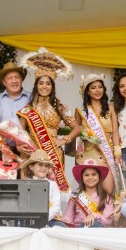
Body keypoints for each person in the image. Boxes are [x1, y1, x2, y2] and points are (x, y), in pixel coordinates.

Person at [17, 51, 81, 202]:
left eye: (48, 83)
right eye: (41, 83)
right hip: (32, 152)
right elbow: (19, 132)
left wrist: (64, 140)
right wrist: (20, 147)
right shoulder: (28, 108)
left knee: (53, 189)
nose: (44, 86)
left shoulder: (59, 106)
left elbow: (77, 128)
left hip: (53, 153)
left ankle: (53, 217)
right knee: (30, 190)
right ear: (35, 85)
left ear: (52, 86)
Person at [75, 74, 122, 196]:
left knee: (108, 189)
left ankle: (107, 215)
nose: (97, 90)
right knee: (88, 190)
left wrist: (117, 153)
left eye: (100, 87)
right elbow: (76, 131)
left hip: (106, 153)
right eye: (93, 87)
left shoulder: (111, 108)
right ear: (87, 91)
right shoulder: (81, 111)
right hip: (87, 153)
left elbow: (116, 132)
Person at [63, 159, 114, 227]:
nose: (90, 177)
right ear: (82, 178)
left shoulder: (105, 197)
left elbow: (108, 221)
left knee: (94, 223)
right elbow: (68, 217)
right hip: (78, 229)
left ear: (99, 176)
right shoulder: (75, 196)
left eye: (94, 174)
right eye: (86, 175)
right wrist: (62, 221)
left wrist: (94, 216)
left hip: (96, 229)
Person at [21, 150, 65, 227]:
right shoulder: (25, 185)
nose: (43, 168)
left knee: (60, 229)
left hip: (51, 219)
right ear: (31, 167)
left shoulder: (53, 185)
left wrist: (44, 219)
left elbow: (56, 206)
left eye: (46, 166)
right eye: (40, 165)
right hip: (30, 220)